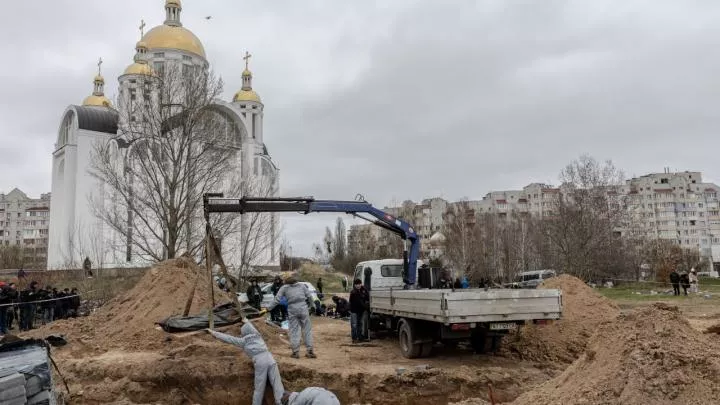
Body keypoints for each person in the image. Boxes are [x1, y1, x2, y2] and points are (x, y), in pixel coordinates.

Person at [206, 319, 284, 405]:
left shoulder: (243, 341)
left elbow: (228, 338)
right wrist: (247, 321)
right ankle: (281, 402)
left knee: (259, 388)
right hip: (270, 358)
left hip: (260, 362)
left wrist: (213, 333)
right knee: (277, 384)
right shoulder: (258, 335)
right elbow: (252, 328)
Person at [267, 276, 318, 359]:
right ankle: (310, 351)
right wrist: (313, 306)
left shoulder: (284, 288)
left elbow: (277, 299)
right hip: (303, 308)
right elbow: (309, 297)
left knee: (294, 330)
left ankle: (295, 352)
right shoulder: (302, 286)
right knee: (307, 330)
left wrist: (268, 308)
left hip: (292, 309)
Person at [349, 279, 369, 343]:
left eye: (359, 284)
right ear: (355, 285)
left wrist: (366, 305)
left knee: (360, 324)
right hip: (354, 311)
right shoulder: (353, 292)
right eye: (356, 284)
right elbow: (356, 302)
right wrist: (366, 307)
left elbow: (367, 298)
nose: (358, 285)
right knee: (354, 325)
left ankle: (360, 337)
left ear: (361, 284)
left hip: (361, 311)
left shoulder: (364, 290)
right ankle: (354, 338)